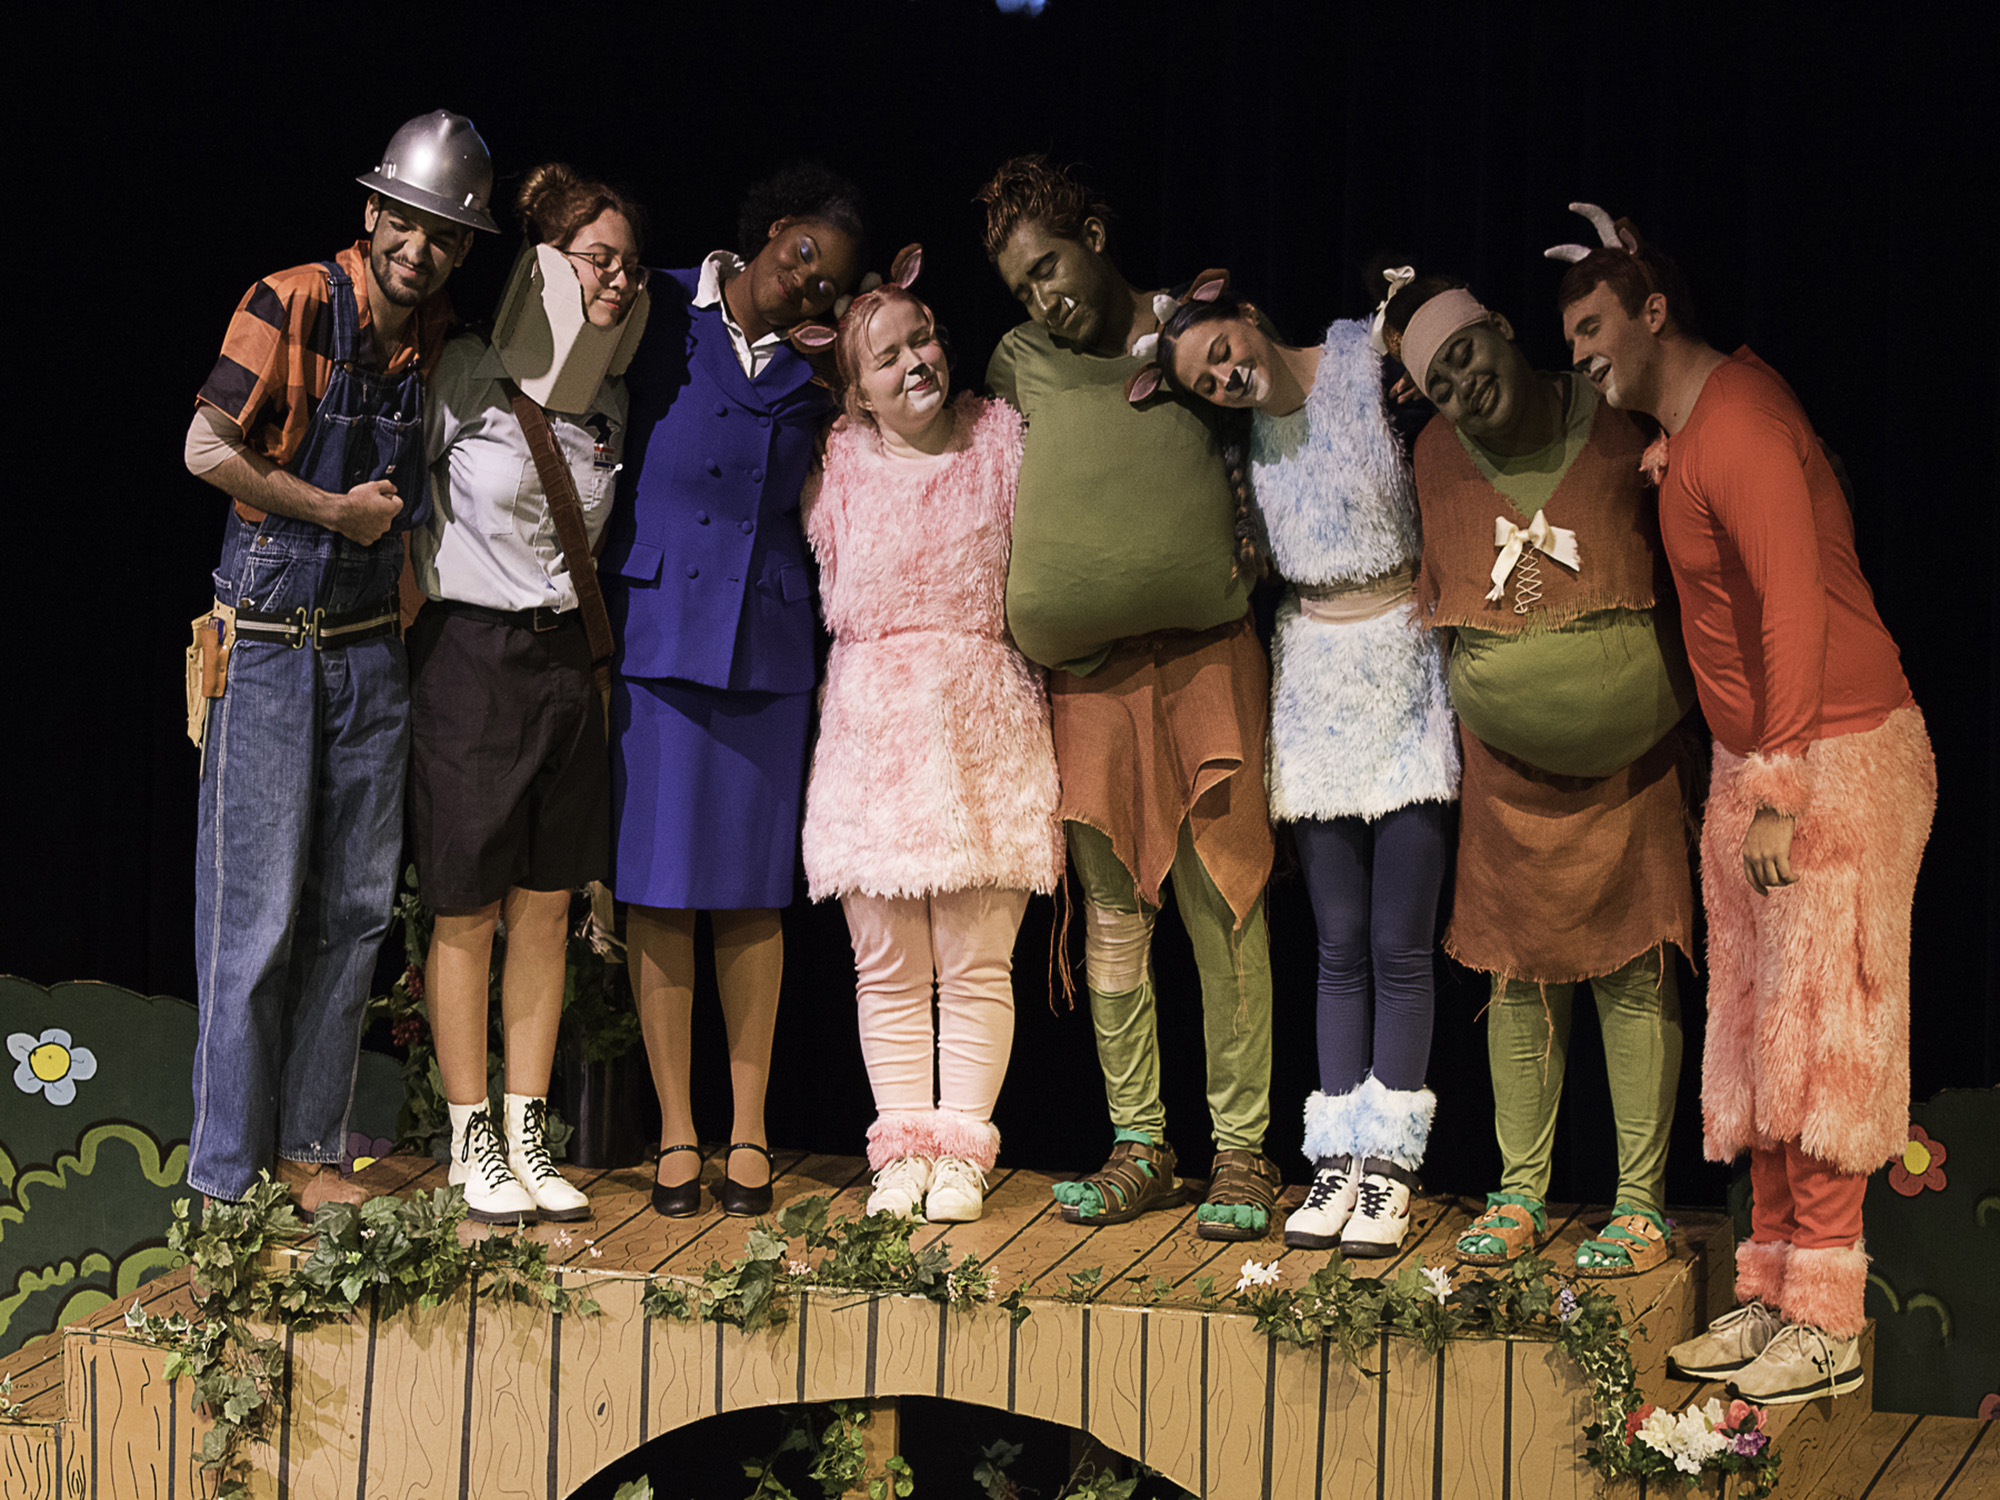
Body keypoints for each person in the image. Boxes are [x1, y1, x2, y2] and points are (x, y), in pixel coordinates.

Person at [1554, 205, 1934, 1403]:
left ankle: (1823, 1321)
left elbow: (1790, 611)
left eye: (1593, 325)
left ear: (1653, 310)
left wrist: (1776, 785)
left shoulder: (1744, 429)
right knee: (1761, 1032)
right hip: (1761, 760)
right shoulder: (1690, 426)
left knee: (1824, 1037)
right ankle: (1769, 1290)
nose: (1576, 353)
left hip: (1834, 753)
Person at [182, 111, 493, 1210]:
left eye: (445, 233)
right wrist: (332, 512)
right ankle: (224, 1180)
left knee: (357, 910)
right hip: (266, 645)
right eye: (407, 222)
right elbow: (203, 445)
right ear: (372, 213)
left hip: (368, 653)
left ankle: (311, 1151)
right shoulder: (292, 298)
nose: (421, 246)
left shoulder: (440, 339)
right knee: (252, 919)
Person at [978, 156, 1280, 1242]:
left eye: (1048, 268)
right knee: (1112, 917)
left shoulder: (1194, 332)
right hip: (1089, 686)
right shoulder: (1018, 363)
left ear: (1095, 236)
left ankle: (1240, 1152)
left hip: (1203, 663)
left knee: (1223, 903)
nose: (1042, 299)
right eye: (1021, 288)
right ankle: (1140, 1144)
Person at [1378, 268, 1699, 1278]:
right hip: (1506, 778)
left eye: (1466, 353)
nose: (1462, 384)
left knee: (1634, 968)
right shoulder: (1436, 455)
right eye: (1438, 380)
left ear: (1505, 332)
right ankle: (1518, 1192)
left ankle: (1638, 1203)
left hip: (1632, 770)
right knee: (1517, 978)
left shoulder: (1609, 418)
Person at [1150, 278, 1458, 1256]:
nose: (1227, 373)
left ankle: (1390, 1170)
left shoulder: (1365, 364)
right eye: (1207, 378)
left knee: (1398, 943)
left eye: (1224, 349)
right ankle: (1334, 1161)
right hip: (1315, 677)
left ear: (1246, 317)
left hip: (1404, 663)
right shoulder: (1248, 445)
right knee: (1334, 940)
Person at [601, 165, 866, 1219]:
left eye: (831, 285)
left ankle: (747, 1130)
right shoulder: (659, 304)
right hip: (659, 635)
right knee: (659, 891)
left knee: (752, 897)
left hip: (761, 646)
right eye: (806, 258)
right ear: (773, 229)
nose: (812, 288)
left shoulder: (823, 367)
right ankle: (675, 1131)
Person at [798, 248, 1062, 1223]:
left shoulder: (1002, 442)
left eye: (923, 338)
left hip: (979, 719)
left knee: (974, 960)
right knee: (887, 963)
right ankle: (900, 1145)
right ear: (855, 391)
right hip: (871, 731)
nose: (914, 361)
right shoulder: (831, 465)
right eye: (886, 356)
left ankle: (960, 1152)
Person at [409, 163, 650, 1224]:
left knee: (545, 906)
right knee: (464, 907)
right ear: (548, 261)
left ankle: (526, 1132)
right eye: (599, 257)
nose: (617, 277)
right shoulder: (462, 374)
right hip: (472, 657)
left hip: (564, 665)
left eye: (629, 265)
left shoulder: (613, 401)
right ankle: (470, 1140)